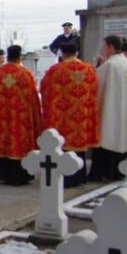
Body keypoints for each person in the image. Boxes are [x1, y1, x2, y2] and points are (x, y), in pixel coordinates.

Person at [40, 43, 100, 186]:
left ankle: (66, 179)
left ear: (63, 53)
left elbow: (45, 90)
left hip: (62, 119)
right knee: (80, 149)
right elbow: (95, 92)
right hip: (83, 117)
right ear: (77, 53)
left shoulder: (55, 70)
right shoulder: (89, 70)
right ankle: (79, 177)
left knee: (64, 145)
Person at [0, 45, 41, 185]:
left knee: (5, 143)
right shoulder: (25, 74)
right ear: (19, 56)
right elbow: (34, 99)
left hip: (3, 119)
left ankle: (5, 175)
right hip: (21, 119)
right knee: (20, 143)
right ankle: (22, 175)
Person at [88, 35, 127, 181]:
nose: (103, 49)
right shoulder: (125, 62)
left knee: (106, 138)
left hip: (110, 109)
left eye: (104, 46)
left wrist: (96, 67)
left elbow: (96, 83)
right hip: (121, 109)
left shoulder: (111, 65)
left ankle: (102, 173)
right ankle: (116, 171)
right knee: (117, 138)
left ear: (110, 47)